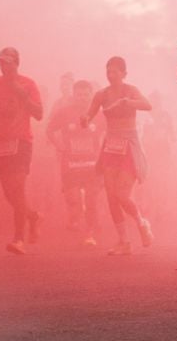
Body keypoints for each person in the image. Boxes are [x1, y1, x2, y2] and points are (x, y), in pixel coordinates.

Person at [81, 56, 153, 255]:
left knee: (122, 195)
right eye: (108, 71)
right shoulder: (101, 94)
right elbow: (90, 114)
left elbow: (147, 105)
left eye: (115, 71)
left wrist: (128, 102)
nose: (110, 74)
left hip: (128, 144)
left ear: (124, 74)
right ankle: (124, 242)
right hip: (110, 146)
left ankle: (141, 223)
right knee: (111, 196)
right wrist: (85, 120)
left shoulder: (130, 90)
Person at [0, 47, 43, 255]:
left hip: (22, 142)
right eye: (2, 63)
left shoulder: (28, 84)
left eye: (8, 62)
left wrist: (23, 96)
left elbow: (39, 114)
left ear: (17, 63)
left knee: (18, 187)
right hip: (1, 143)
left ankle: (18, 239)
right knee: (9, 194)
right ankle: (33, 216)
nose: (5, 67)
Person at [46, 80, 104, 245]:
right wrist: (59, 146)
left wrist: (104, 150)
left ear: (91, 95)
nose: (82, 98)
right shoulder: (64, 112)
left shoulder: (99, 114)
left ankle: (90, 233)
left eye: (86, 94)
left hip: (92, 164)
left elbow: (110, 131)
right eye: (79, 94)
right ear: (74, 95)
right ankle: (75, 217)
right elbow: (49, 130)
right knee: (73, 200)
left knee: (92, 198)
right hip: (70, 164)